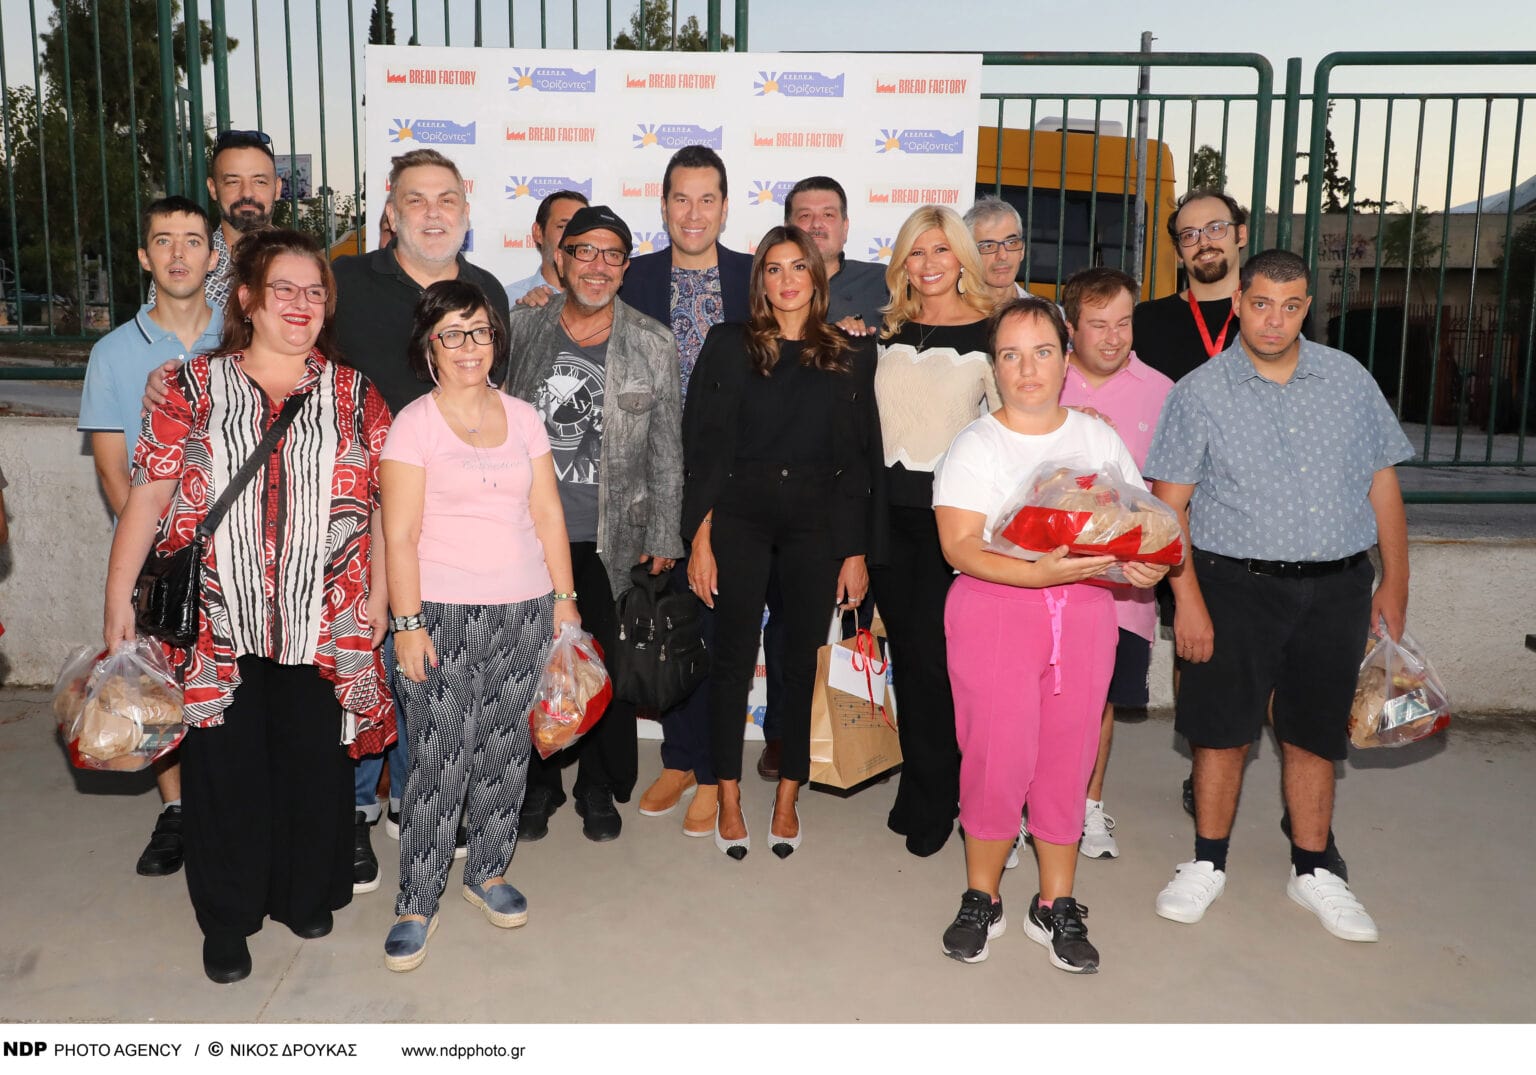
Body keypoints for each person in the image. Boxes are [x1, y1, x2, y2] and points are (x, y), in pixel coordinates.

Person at [102, 229, 394, 985]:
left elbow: (384, 506)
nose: (301, 304)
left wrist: (380, 599)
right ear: (248, 300)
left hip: (323, 617)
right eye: (283, 289)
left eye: (314, 291)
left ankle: (303, 893)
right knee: (226, 774)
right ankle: (228, 919)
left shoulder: (356, 394)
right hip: (217, 620)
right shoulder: (190, 387)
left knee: (312, 762)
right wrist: (117, 601)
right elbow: (150, 495)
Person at [1146, 249, 1413, 943]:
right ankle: (1206, 861)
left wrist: (1395, 583)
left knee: (1314, 731)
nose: (1275, 320)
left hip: (1337, 589)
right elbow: (1169, 507)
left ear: (1306, 309)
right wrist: (1188, 601)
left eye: (1291, 306)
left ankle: (1313, 868)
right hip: (1233, 587)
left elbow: (1382, 484)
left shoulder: (1348, 379)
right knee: (1220, 731)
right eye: (1261, 303)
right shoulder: (1200, 391)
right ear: (1238, 302)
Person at [932, 296, 1169, 972]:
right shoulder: (976, 443)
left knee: (1069, 756)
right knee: (994, 756)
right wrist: (1035, 574)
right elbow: (959, 545)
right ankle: (982, 896)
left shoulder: (1096, 439)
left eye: (1041, 352)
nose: (1027, 369)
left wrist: (1146, 561)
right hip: (995, 610)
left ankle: (1055, 902)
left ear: (1066, 360)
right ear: (995, 366)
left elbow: (1138, 523)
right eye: (1011, 355)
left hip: (1086, 612)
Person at [379, 279, 579, 972]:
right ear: (429, 345)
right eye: (453, 333)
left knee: (505, 750)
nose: (470, 346)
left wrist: (564, 600)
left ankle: (488, 871)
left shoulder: (524, 417)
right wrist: (407, 624)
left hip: (525, 608)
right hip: (439, 613)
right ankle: (416, 900)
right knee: (437, 760)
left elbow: (548, 513)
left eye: (481, 331)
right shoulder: (414, 425)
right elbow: (399, 535)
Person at [681, 224, 883, 860]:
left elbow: (859, 461)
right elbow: (702, 448)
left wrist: (855, 552)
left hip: (815, 528)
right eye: (774, 268)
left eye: (799, 266)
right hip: (738, 519)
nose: (787, 279)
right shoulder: (727, 344)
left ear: (816, 278)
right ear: (761, 281)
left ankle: (789, 796)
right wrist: (700, 539)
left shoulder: (849, 352)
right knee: (731, 663)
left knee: (798, 665)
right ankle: (729, 795)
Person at [502, 205, 685, 844]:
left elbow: (667, 446)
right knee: (530, 664)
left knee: (604, 664)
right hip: (527, 533)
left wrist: (664, 533)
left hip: (615, 539)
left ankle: (598, 787)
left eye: (612, 254)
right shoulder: (522, 326)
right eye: (585, 251)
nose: (598, 266)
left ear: (626, 267)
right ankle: (537, 786)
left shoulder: (653, 342)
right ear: (560, 258)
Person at [79, 195, 224, 878]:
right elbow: (114, 470)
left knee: (231, 688)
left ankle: (229, 805)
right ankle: (177, 810)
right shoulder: (112, 353)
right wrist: (153, 558)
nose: (178, 253)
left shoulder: (244, 336)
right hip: (158, 559)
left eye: (192, 240)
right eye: (163, 241)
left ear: (213, 256)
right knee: (160, 683)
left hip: (239, 552)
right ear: (144, 257)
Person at [620, 145, 753, 836]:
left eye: (707, 199)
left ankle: (712, 770)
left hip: (736, 478)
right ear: (664, 204)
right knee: (669, 619)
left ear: (725, 207)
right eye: (681, 198)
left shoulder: (757, 276)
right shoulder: (634, 277)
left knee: (720, 622)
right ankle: (678, 756)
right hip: (653, 478)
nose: (693, 213)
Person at [871, 204, 996, 858]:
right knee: (909, 662)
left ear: (962, 259)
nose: (929, 264)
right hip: (884, 518)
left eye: (941, 250)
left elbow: (1010, 428)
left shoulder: (991, 332)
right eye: (916, 252)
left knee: (936, 667)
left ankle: (938, 796)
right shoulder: (885, 330)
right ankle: (922, 786)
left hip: (949, 523)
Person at [1058, 268, 1174, 859]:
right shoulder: (1041, 377)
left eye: (1123, 323)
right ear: (1070, 326)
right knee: (1037, 695)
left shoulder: (1163, 391)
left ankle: (1088, 805)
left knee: (1097, 699)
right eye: (1097, 324)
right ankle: (1029, 807)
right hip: (1047, 577)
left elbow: (1171, 497)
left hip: (1125, 584)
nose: (1112, 338)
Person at [148, 129, 278, 311]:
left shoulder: (301, 262)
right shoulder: (182, 266)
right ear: (213, 188)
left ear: (278, 188)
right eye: (233, 182)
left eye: (259, 182)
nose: (247, 193)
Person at [1132, 188, 1249, 384]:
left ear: (1241, 235)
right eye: (1189, 235)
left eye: (1215, 228)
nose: (1203, 242)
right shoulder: (1145, 321)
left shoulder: (1273, 316)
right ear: (1178, 252)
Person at [504, 189, 590, 304]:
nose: (574, 237)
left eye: (582, 228)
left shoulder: (603, 300)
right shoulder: (507, 300)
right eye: (563, 227)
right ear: (538, 232)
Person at [964, 196, 1029, 302]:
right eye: (988, 246)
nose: (1002, 256)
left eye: (1011, 243)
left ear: (1022, 250)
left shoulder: (1048, 312)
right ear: (969, 254)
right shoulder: (950, 311)